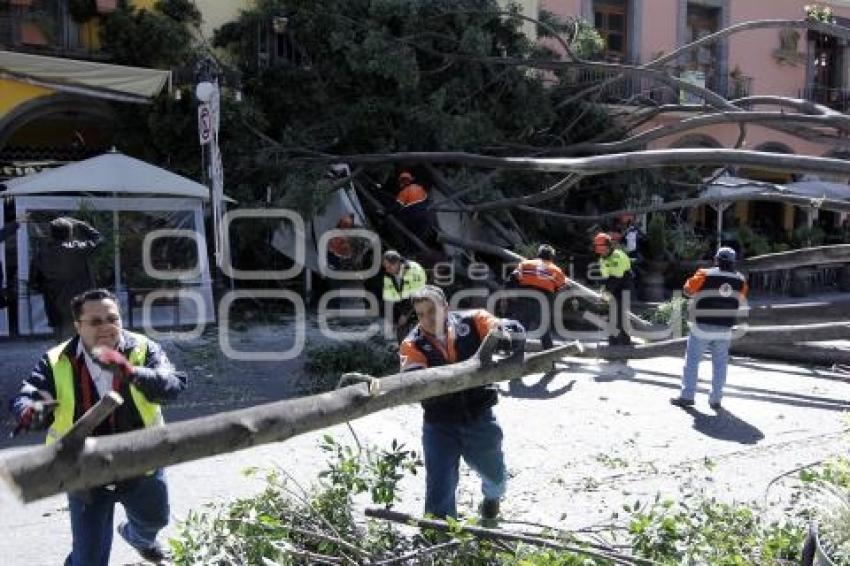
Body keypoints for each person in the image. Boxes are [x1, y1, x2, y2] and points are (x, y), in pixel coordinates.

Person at [9, 288, 188, 565]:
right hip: (84, 471)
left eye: (112, 319)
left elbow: (173, 386)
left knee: (154, 522)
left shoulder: (143, 349)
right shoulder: (55, 360)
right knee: (89, 559)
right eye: (95, 322)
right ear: (78, 326)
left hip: (141, 463)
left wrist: (133, 373)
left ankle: (138, 538)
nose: (106, 327)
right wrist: (30, 411)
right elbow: (28, 395)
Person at [399, 285, 524, 520]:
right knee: (439, 488)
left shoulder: (473, 320)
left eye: (432, 310)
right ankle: (441, 540)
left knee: (495, 476)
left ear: (445, 306)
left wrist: (508, 335)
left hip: (480, 417)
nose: (427, 319)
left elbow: (502, 327)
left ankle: (491, 499)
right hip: (439, 425)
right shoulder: (411, 344)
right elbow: (415, 380)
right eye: (420, 314)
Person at [670, 247, 749, 410]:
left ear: (716, 260)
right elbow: (740, 299)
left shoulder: (704, 273)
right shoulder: (741, 280)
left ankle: (687, 396)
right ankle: (716, 399)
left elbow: (687, 290)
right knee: (720, 364)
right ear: (733, 263)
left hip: (702, 324)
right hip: (725, 326)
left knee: (692, 361)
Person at [30, 216, 104, 338]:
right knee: (81, 342)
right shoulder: (77, 249)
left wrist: (50, 288)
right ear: (70, 233)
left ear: (52, 234)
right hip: (79, 305)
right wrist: (83, 225)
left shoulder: (40, 255)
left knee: (61, 344)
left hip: (55, 307)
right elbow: (100, 239)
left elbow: (34, 283)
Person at [508, 244, 568, 350]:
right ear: (551, 257)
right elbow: (563, 288)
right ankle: (550, 361)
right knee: (545, 333)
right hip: (542, 303)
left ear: (538, 254)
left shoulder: (525, 264)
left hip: (524, 300)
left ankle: (516, 358)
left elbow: (512, 278)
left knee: (521, 330)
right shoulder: (556, 270)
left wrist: (511, 297)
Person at [593, 232, 635, 346]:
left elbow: (616, 278)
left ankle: (626, 344)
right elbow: (606, 278)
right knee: (612, 316)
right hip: (613, 287)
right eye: (600, 251)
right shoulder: (602, 259)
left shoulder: (618, 256)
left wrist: (605, 294)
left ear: (609, 246)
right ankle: (613, 343)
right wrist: (603, 291)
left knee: (621, 317)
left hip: (624, 287)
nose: (602, 253)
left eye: (604, 250)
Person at [382, 249, 427, 341]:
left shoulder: (414, 270)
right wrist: (393, 320)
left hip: (422, 303)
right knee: (401, 334)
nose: (387, 270)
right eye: (386, 267)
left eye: (389, 267)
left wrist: (405, 315)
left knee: (419, 336)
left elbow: (416, 295)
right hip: (403, 304)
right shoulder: (389, 274)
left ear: (397, 263)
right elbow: (389, 298)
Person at [394, 171, 432, 240]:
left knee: (410, 237)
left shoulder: (404, 192)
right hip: (425, 217)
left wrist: (385, 212)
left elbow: (396, 207)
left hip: (413, 218)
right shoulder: (419, 188)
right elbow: (426, 201)